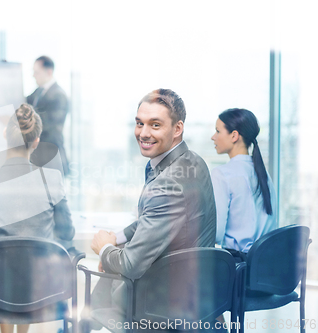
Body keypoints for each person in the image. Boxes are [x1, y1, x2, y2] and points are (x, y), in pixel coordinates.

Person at [88, 89, 216, 323]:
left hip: (162, 301)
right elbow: (154, 218)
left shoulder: (167, 182)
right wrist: (114, 239)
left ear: (177, 129)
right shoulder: (194, 161)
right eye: (139, 123)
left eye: (155, 125)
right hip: (197, 287)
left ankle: (83, 325)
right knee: (109, 267)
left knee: (104, 274)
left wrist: (105, 249)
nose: (143, 133)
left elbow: (130, 265)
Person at [0, 103, 75, 333]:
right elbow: (67, 231)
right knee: (27, 266)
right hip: (42, 289)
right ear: (36, 141)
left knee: (7, 269)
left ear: (5, 135)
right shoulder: (53, 179)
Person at [211, 108, 277, 261]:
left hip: (237, 268)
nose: (213, 137)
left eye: (218, 131)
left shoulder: (222, 173)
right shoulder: (264, 175)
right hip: (266, 266)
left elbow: (216, 234)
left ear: (234, 135)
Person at [26, 56, 70, 175]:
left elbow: (47, 124)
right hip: (39, 156)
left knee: (53, 192)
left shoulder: (59, 95)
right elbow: (24, 103)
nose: (33, 76)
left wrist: (22, 122)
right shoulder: (38, 92)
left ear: (49, 72)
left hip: (51, 156)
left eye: (37, 72)